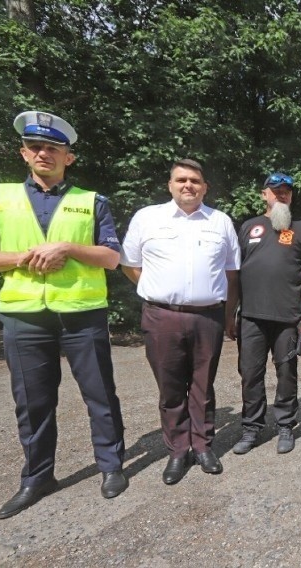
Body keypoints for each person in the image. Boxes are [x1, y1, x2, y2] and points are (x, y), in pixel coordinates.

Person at [0, 111, 127, 518]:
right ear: (23, 153)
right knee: (32, 402)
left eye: (54, 148)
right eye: (37, 147)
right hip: (24, 314)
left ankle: (112, 467)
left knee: (100, 396)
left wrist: (68, 249)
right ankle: (37, 477)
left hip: (82, 313)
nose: (45, 154)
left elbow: (112, 257)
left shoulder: (92, 202)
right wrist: (24, 257)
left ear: (68, 158)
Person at [121, 158, 240, 485]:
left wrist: (229, 314)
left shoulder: (221, 222)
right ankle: (178, 450)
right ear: (170, 185)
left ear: (205, 187)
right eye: (181, 180)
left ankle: (202, 446)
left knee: (203, 386)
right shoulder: (148, 218)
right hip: (162, 317)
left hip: (208, 317)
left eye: (195, 181)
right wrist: (155, 291)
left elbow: (231, 273)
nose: (188, 185)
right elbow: (129, 264)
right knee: (171, 386)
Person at [231, 173, 301, 455]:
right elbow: (233, 272)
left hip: (288, 316)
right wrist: (230, 314)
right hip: (251, 316)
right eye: (276, 191)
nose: (282, 195)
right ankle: (251, 428)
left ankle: (285, 426)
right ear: (263, 194)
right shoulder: (248, 226)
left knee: (286, 373)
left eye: (286, 192)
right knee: (250, 374)